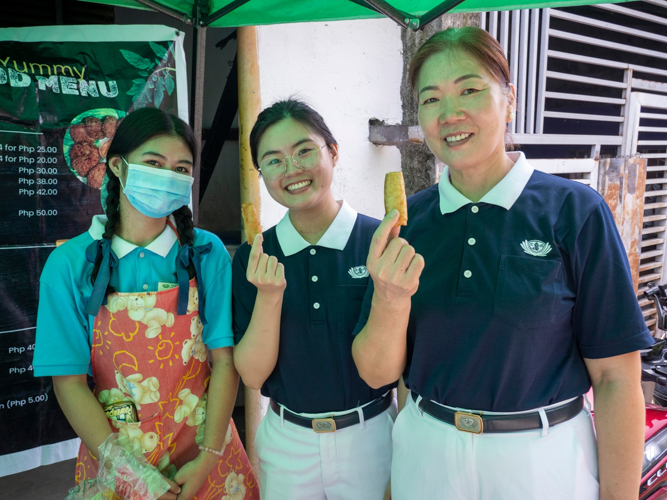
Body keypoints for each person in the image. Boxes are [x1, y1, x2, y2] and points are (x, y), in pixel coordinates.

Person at [352, 27, 653, 500]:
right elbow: (377, 374)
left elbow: (617, 378)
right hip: (428, 454)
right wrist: (389, 297)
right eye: (431, 99)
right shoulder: (409, 221)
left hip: (541, 461)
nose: (450, 114)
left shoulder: (575, 212)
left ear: (508, 99)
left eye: (469, 90)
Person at [34, 107, 258, 500]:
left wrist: (207, 456)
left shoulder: (206, 253)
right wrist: (130, 475)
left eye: (181, 168)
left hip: (206, 455)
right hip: (115, 462)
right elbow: (69, 383)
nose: (168, 176)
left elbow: (224, 361)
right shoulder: (70, 264)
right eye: (154, 163)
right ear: (118, 167)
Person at [232, 99, 396, 500]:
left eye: (304, 151)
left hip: (372, 436)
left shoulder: (382, 242)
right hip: (288, 443)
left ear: (333, 152)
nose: (292, 170)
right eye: (273, 160)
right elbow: (252, 376)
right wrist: (270, 296)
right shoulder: (254, 255)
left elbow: (404, 361)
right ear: (262, 173)